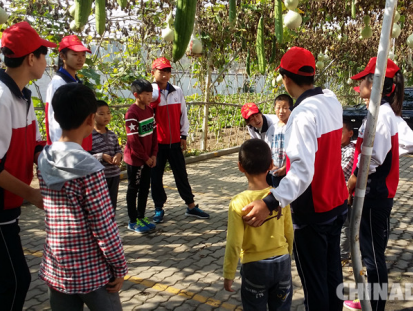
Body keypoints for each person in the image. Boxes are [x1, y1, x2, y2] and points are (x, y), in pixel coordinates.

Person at [242, 47, 349, 311]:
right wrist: (286, 168)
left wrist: (270, 200)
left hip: (313, 211)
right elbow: (316, 155)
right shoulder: (331, 101)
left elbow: (303, 172)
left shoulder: (301, 115)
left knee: (315, 284)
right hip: (337, 203)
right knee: (332, 272)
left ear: (285, 79)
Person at [0, 22, 55, 311]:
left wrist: (61, 162)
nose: (46, 61)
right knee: (16, 279)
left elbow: (34, 146)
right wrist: (32, 195)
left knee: (0, 275)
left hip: (6, 205)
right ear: (31, 58)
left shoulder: (22, 97)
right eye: (44, 54)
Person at [37, 83, 127, 311]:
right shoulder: (90, 168)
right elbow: (103, 225)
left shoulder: (44, 158)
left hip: (57, 265)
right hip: (91, 271)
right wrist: (119, 266)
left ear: (56, 116)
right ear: (90, 119)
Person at [344, 57, 404, 311]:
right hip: (377, 193)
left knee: (372, 257)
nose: (360, 85)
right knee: (371, 253)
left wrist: (353, 181)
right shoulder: (382, 113)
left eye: (364, 80)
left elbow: (373, 158)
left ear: (377, 83)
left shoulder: (381, 116)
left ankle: (375, 306)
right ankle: (368, 301)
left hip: (374, 194)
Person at [223, 139, 293, 310]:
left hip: (255, 267)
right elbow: (289, 231)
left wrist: (229, 274)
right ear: (271, 165)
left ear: (240, 167)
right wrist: (287, 255)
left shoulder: (238, 203)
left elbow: (234, 242)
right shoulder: (280, 196)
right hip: (282, 263)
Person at [150, 57, 209, 223]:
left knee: (181, 175)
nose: (165, 74)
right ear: (153, 72)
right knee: (156, 177)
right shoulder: (151, 94)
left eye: (167, 71)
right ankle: (158, 208)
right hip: (157, 145)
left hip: (175, 142)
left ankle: (191, 206)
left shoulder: (177, 91)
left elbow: (183, 114)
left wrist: (183, 135)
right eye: (161, 71)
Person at [45, 34, 93, 151]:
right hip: (66, 149)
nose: (80, 59)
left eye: (83, 55)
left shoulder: (74, 81)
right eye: (75, 55)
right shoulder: (58, 84)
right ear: (62, 56)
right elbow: (54, 121)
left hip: (77, 145)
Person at [124, 79, 160, 233]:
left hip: (148, 159)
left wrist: (153, 154)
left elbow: (153, 134)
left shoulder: (149, 110)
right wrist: (145, 157)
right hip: (135, 160)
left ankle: (141, 216)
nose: (150, 96)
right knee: (134, 188)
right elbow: (133, 141)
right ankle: (132, 220)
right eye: (146, 94)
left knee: (145, 188)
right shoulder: (132, 113)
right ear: (136, 95)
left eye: (151, 93)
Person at [352, 86, 413, 156]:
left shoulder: (385, 114)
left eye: (367, 97)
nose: (364, 99)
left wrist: (386, 153)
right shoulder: (378, 113)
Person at [90, 100, 123, 212]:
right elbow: (86, 156)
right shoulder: (89, 136)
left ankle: (110, 224)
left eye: (108, 113)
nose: (106, 116)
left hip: (114, 175)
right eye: (102, 114)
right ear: (93, 116)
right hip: (99, 177)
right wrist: (101, 156)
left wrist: (118, 155)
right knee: (100, 206)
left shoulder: (112, 134)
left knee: (112, 204)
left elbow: (118, 150)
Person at [265, 94, 293, 187]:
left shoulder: (293, 127)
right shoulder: (271, 129)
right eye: (278, 108)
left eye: (285, 108)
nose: (281, 111)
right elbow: (267, 149)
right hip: (273, 171)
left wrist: (285, 168)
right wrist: (270, 165)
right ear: (274, 108)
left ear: (291, 109)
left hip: (289, 171)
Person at [340, 120, 355, 266]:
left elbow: (341, 171)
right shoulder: (337, 148)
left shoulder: (351, 150)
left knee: (345, 224)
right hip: (336, 193)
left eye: (341, 131)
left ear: (350, 134)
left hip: (345, 193)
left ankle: (344, 255)